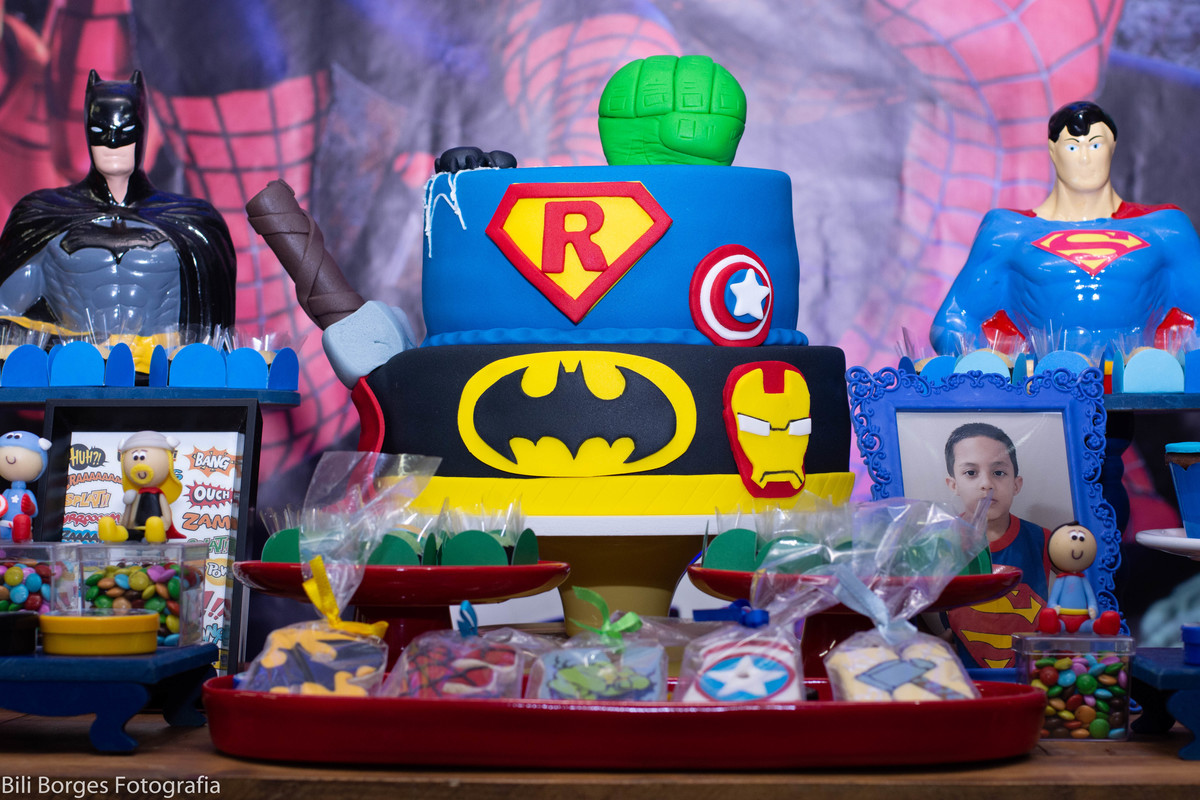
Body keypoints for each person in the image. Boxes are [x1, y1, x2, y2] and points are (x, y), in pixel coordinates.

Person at [930, 101, 1200, 359]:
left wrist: (1171, 368)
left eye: (1095, 144)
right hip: (1043, 384)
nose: (1085, 158)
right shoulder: (1007, 234)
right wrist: (999, 369)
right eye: (1073, 147)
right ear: (1053, 150)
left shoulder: (1165, 229)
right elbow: (953, 322)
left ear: (1112, 147)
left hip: (1140, 382)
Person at [0, 70, 235, 350]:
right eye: (100, 132)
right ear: (87, 131)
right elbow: (6, 313)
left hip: (165, 370)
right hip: (75, 369)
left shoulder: (191, 222)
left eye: (125, 131)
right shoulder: (45, 216)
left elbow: (216, 326)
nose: (112, 142)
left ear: (142, 131)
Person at [941, 421, 1052, 669]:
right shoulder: (939, 543)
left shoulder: (1045, 541)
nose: (987, 484)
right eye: (971, 473)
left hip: (1031, 677)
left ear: (1016, 484)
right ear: (953, 485)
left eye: (998, 473)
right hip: (961, 680)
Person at [1038, 522, 1122, 635]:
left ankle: (1103, 625)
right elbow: (1053, 598)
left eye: (1082, 539)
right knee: (1057, 625)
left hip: (1083, 619)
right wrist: (1053, 607)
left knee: (1091, 626)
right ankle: (1051, 624)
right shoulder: (1061, 580)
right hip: (1062, 618)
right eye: (1073, 538)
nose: (1077, 545)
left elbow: (1090, 598)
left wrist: (1093, 607)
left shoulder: (1083, 580)